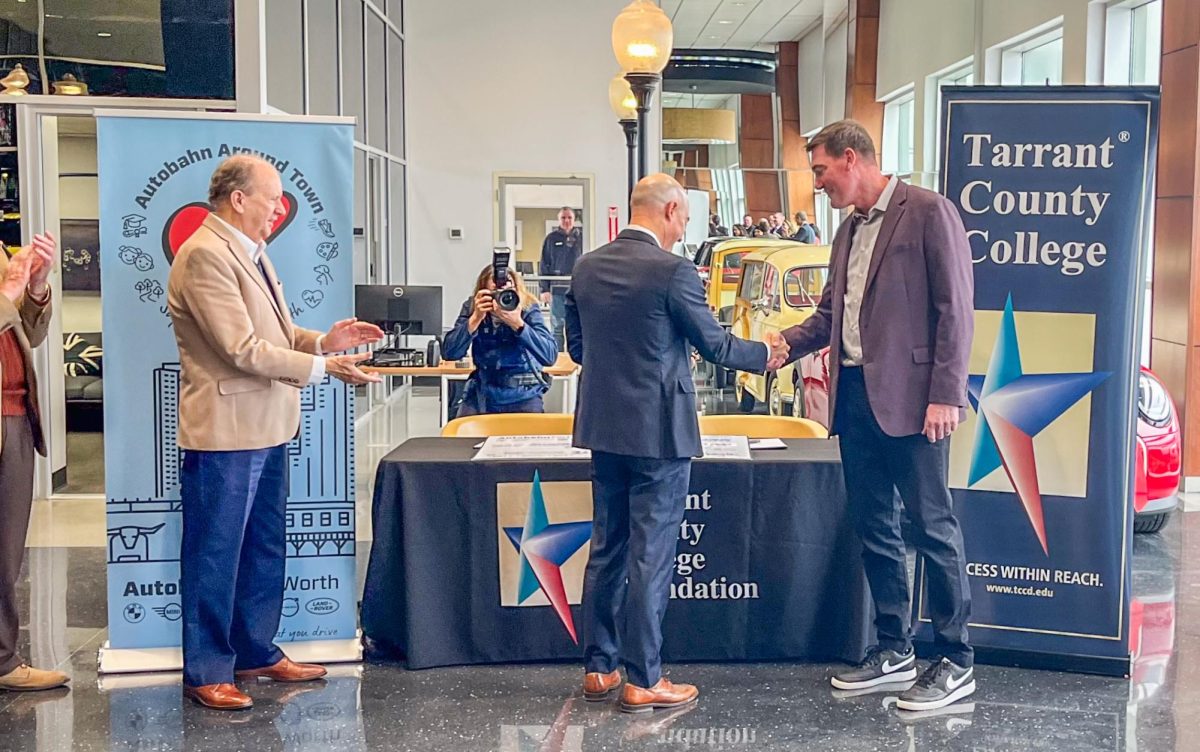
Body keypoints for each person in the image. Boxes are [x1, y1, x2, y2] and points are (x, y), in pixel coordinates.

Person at [167, 155, 384, 710]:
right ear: (238, 199)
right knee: (215, 553)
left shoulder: (251, 253)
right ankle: (208, 669)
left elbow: (277, 333)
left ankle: (255, 651)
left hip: (268, 424)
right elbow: (240, 349)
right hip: (225, 431)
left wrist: (322, 342)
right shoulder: (205, 257)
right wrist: (322, 370)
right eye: (272, 197)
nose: (279, 208)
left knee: (261, 547)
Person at [566, 174, 788, 714]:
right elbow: (713, 343)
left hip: (603, 428)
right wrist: (767, 356)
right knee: (653, 553)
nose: (685, 227)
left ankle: (600, 669)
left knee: (607, 546)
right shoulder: (673, 270)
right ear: (668, 211)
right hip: (659, 433)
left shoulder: (586, 266)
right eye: (685, 218)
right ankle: (645, 678)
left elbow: (578, 349)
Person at [778, 119, 975, 712]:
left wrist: (947, 393)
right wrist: (781, 344)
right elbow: (829, 316)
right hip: (857, 398)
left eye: (820, 170)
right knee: (875, 528)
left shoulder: (929, 212)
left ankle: (955, 657)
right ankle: (896, 647)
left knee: (931, 528)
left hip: (917, 404)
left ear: (851, 158)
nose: (818, 184)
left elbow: (956, 310)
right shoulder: (846, 232)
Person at [0, 233, 66, 692]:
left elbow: (29, 333)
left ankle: (3, 659)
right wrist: (7, 292)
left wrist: (36, 287)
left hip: (16, 417)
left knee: (6, 551)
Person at [443, 264, 557, 416]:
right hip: (483, 392)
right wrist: (475, 319)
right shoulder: (473, 308)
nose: (501, 299)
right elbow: (450, 353)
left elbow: (549, 356)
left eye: (507, 294)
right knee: (463, 434)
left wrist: (518, 324)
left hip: (523, 394)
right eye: (495, 293)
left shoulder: (527, 307)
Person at [539, 207, 583, 347]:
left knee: (575, 327)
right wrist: (544, 289)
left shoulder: (581, 238)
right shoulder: (551, 239)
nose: (566, 221)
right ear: (559, 220)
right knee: (557, 327)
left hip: (577, 289)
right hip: (557, 289)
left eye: (569, 217)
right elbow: (544, 264)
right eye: (563, 218)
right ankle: (557, 359)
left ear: (574, 219)